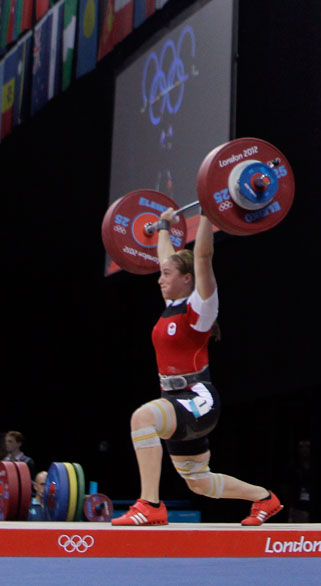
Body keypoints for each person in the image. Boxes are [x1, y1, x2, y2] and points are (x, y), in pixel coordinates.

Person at [111, 209, 282, 527]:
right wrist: (163, 227)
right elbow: (166, 257)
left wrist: (207, 214)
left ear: (187, 278)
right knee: (199, 481)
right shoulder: (172, 305)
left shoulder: (201, 308)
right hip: (175, 400)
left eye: (167, 274)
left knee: (142, 419)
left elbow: (203, 256)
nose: (160, 279)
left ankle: (150, 505)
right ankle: (264, 498)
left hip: (197, 398)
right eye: (161, 274)